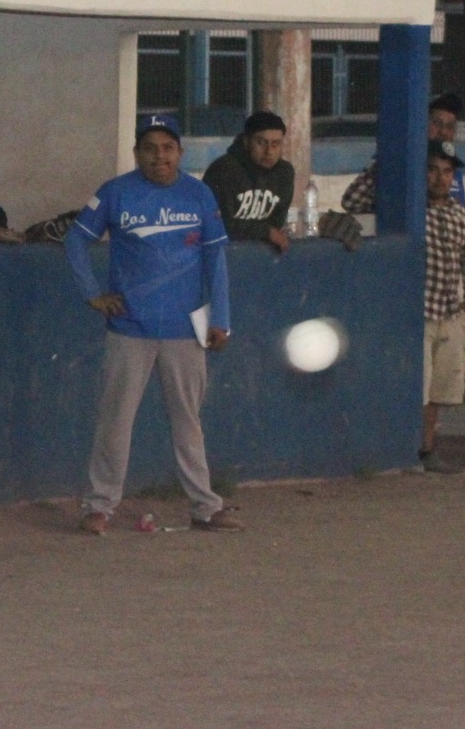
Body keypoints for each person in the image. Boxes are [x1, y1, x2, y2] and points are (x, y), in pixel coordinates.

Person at [65, 115, 243, 535]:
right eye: (150, 148)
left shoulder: (199, 195)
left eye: (167, 147)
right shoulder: (116, 193)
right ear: (136, 154)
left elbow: (216, 259)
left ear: (180, 152)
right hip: (130, 329)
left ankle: (204, 506)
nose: (159, 156)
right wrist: (91, 293)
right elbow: (75, 240)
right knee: (115, 420)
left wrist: (222, 318)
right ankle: (99, 506)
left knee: (188, 422)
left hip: (185, 330)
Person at [418, 141, 465, 473]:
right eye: (432, 169)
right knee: (420, 385)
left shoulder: (460, 216)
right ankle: (410, 449)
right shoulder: (413, 211)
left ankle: (427, 449)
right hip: (421, 311)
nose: (440, 178)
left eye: (446, 171)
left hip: (449, 311)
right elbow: (353, 199)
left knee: (440, 386)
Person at [342, 93, 465, 214]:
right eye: (436, 123)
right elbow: (352, 202)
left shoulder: (452, 167)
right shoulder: (398, 163)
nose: (443, 132)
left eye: (450, 126)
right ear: (421, 124)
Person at [202, 111, 295, 251]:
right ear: (246, 142)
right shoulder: (223, 170)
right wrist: (266, 232)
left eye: (275, 144)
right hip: (220, 253)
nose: (269, 151)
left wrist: (267, 232)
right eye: (261, 142)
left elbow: (276, 223)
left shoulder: (284, 173)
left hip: (257, 254)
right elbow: (219, 224)